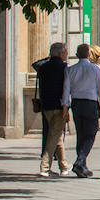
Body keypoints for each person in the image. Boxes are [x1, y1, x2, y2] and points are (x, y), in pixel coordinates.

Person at [62, 42, 100, 178]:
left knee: (81, 133)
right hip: (90, 104)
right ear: (89, 55)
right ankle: (80, 161)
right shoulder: (95, 69)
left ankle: (82, 165)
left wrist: (65, 109)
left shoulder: (70, 70)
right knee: (90, 134)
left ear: (77, 55)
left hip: (76, 104)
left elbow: (66, 91)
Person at [32, 42, 70, 177]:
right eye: (65, 52)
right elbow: (66, 89)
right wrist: (66, 107)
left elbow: (35, 64)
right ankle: (45, 167)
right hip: (59, 106)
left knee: (57, 135)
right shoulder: (65, 68)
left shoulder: (43, 67)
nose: (67, 54)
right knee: (53, 137)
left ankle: (64, 166)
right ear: (61, 54)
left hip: (46, 105)